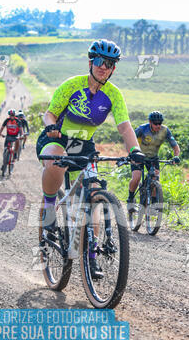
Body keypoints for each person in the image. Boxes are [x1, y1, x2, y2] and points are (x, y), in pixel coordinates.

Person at [36, 38, 145, 279]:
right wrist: (51, 126)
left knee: (93, 194)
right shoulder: (72, 85)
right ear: (90, 62)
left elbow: (125, 128)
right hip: (57, 137)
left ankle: (91, 254)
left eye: (108, 63)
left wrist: (135, 151)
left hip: (82, 144)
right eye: (98, 61)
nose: (103, 66)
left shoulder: (114, 95)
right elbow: (50, 113)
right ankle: (49, 209)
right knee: (56, 160)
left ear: (113, 68)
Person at [127, 111, 180, 208]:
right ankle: (130, 198)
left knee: (155, 178)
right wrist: (131, 153)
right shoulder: (142, 129)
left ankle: (155, 203)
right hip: (138, 156)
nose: (158, 125)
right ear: (150, 122)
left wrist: (176, 156)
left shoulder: (165, 130)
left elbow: (175, 147)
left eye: (160, 123)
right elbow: (130, 140)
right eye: (155, 123)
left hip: (153, 158)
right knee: (136, 177)